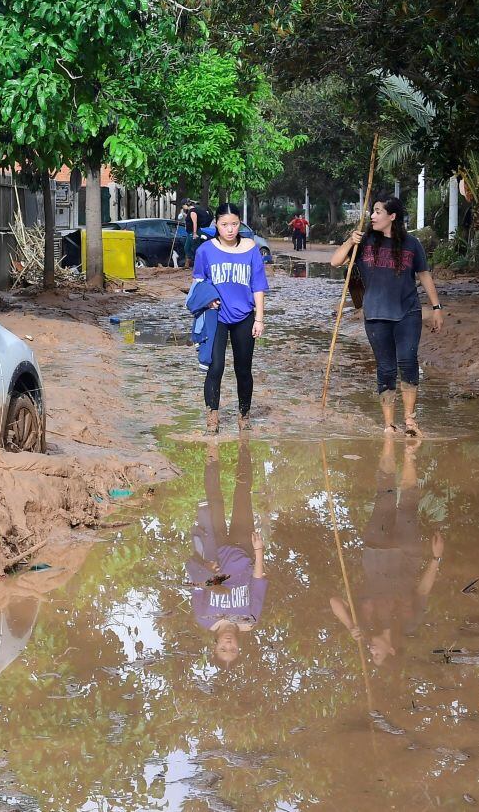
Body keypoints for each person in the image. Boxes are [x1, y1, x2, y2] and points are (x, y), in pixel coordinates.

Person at [331, 195, 442, 436]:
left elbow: (424, 276)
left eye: (378, 211)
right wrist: (351, 241)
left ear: (392, 216)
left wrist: (436, 308)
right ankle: (389, 424)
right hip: (375, 315)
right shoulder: (364, 242)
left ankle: (410, 421)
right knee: (386, 368)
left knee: (408, 362)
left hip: (408, 313)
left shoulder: (412, 244)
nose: (372, 215)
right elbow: (335, 262)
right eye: (372, 211)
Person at [330, 436, 444, 667]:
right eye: (377, 655)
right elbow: (422, 590)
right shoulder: (410, 624)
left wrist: (351, 626)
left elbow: (334, 601)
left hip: (376, 552)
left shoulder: (364, 626)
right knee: (409, 502)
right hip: (408, 555)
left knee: (385, 494)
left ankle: (389, 438)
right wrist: (436, 557)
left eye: (371, 656)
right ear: (391, 650)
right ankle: (410, 452)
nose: (372, 651)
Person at [186, 439, 265, 668]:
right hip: (245, 551)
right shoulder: (250, 621)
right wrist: (259, 550)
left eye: (223, 649)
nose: (228, 644)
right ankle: (244, 444)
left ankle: (212, 448)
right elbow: (258, 583)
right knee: (243, 493)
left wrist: (207, 574)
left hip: (215, 550)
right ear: (239, 647)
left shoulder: (203, 619)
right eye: (232, 650)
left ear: (215, 646)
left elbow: (196, 584)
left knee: (214, 498)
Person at [193, 203, 269, 433]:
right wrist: (207, 299)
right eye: (224, 224)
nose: (229, 229)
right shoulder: (205, 250)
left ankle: (244, 416)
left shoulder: (251, 249)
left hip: (244, 316)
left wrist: (259, 318)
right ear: (216, 224)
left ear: (240, 224)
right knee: (215, 367)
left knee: (243, 369)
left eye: (234, 224)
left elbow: (258, 285)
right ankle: (212, 419)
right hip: (216, 316)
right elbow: (199, 281)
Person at [184, 200, 214, 269]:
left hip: (194, 232)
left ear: (186, 205)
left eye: (183, 206)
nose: (183, 207)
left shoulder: (192, 211)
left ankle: (199, 264)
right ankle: (190, 263)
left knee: (195, 248)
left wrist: (194, 233)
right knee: (187, 248)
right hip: (190, 232)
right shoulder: (191, 212)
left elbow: (195, 223)